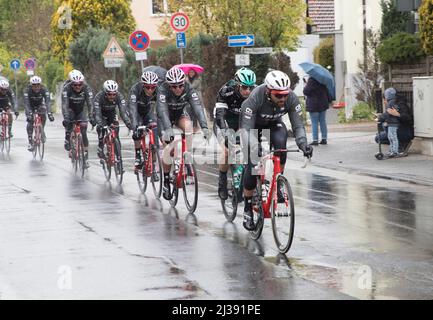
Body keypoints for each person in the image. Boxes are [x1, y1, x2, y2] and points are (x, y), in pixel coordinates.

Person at [239, 70, 313, 231]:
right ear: (268, 91)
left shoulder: (291, 98)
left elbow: (298, 125)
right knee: (253, 164)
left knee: (281, 145)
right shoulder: (255, 97)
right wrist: (254, 146)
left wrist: (303, 144)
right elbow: (245, 130)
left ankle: (278, 180)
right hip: (252, 128)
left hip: (274, 124)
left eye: (285, 95)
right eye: (278, 95)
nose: (283, 99)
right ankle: (247, 207)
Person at [156, 66, 210, 201]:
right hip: (164, 117)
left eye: (180, 85)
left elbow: (197, 107)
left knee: (189, 127)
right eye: (174, 87)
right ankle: (167, 181)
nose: (178, 89)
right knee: (169, 148)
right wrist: (168, 130)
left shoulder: (188, 88)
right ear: (169, 85)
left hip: (179, 114)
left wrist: (204, 126)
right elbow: (162, 110)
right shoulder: (162, 90)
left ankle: (187, 157)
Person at [213, 67, 256, 200]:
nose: (247, 91)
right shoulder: (226, 91)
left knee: (255, 151)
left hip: (243, 123)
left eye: (250, 87)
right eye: (244, 87)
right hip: (224, 122)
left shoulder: (256, 93)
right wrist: (227, 135)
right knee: (226, 151)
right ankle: (222, 180)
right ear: (237, 84)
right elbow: (220, 115)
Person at [62, 70, 95, 167]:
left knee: (83, 129)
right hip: (70, 109)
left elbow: (90, 103)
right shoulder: (66, 89)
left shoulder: (86, 88)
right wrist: (66, 118)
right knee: (69, 124)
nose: (78, 87)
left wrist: (91, 116)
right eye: (75, 85)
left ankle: (86, 156)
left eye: (80, 84)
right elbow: (64, 105)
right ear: (71, 83)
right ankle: (68, 137)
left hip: (81, 110)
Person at [94, 80, 133, 160]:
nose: (112, 96)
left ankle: (118, 157)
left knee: (116, 132)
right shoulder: (99, 97)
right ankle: (100, 145)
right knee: (101, 128)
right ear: (105, 93)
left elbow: (123, 112)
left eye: (114, 94)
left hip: (111, 114)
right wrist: (99, 123)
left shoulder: (119, 96)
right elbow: (97, 114)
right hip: (101, 114)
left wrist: (128, 123)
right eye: (109, 94)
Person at [128, 71, 159, 171]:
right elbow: (132, 108)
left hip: (147, 112)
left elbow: (162, 106)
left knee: (154, 130)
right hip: (136, 112)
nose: (150, 90)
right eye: (147, 87)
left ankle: (153, 166)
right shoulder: (135, 89)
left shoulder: (158, 90)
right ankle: (138, 156)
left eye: (152, 87)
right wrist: (134, 125)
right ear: (143, 85)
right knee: (137, 132)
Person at [375, 89, 414, 153]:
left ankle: (402, 144)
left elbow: (408, 119)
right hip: (397, 130)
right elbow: (387, 114)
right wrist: (380, 116)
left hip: (405, 131)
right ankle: (396, 143)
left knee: (387, 125)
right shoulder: (392, 104)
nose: (384, 102)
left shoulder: (399, 104)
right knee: (378, 138)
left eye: (384, 100)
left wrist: (398, 115)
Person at [24, 76, 54, 151]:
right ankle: (30, 141)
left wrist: (49, 113)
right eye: (34, 85)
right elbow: (26, 103)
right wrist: (29, 113)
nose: (36, 87)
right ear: (31, 85)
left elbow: (48, 102)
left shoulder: (44, 89)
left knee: (43, 114)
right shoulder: (27, 90)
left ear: (40, 85)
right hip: (30, 106)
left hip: (40, 105)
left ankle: (41, 130)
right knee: (30, 121)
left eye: (38, 85)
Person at [303, 75, 331, 145]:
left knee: (314, 122)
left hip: (313, 105)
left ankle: (315, 140)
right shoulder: (323, 79)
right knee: (322, 121)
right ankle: (324, 139)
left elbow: (306, 91)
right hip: (323, 103)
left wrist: (306, 84)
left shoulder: (311, 79)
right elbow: (327, 91)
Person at [377, 88, 401, 157]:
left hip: (393, 123)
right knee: (390, 137)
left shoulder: (391, 102)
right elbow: (388, 113)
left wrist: (380, 118)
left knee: (392, 137)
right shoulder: (392, 102)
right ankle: (391, 150)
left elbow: (388, 113)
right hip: (391, 123)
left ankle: (395, 151)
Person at [186, 69, 204, 133]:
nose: (191, 73)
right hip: (189, 97)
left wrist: (185, 82)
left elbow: (191, 86)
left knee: (196, 113)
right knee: (190, 112)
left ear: (195, 73)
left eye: (192, 72)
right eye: (190, 72)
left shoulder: (198, 79)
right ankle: (192, 127)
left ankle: (196, 127)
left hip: (197, 97)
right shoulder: (186, 79)